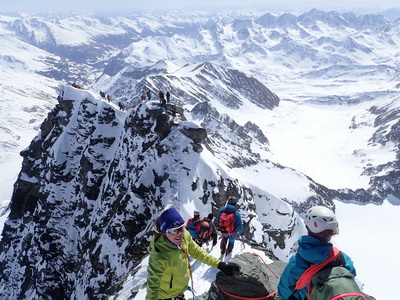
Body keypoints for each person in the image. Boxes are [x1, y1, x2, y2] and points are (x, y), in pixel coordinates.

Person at [146, 207, 240, 300]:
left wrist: (219, 264)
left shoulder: (185, 236)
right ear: (164, 232)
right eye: (174, 230)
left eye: (181, 228)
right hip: (166, 297)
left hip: (179, 293)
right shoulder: (160, 254)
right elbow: (153, 284)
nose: (179, 233)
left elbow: (198, 253)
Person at [277, 206, 357, 300]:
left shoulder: (298, 261)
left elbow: (283, 291)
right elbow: (351, 276)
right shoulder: (342, 257)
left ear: (308, 228)